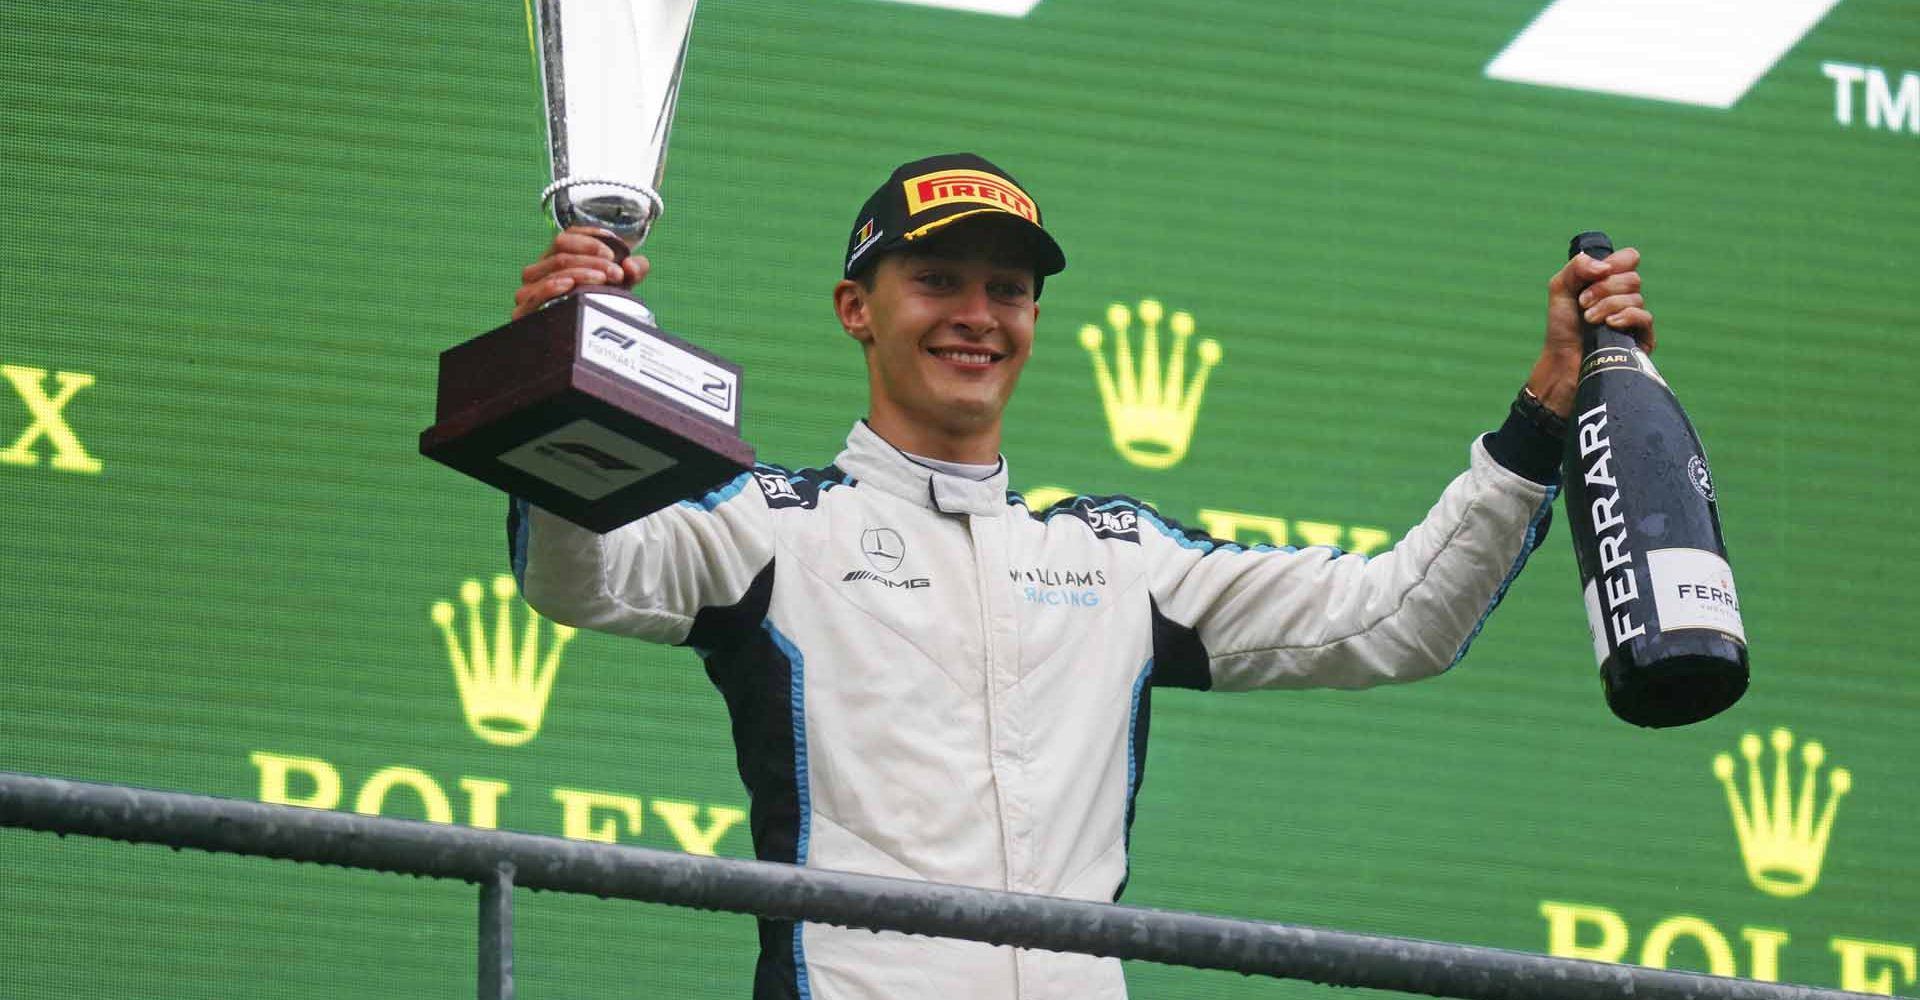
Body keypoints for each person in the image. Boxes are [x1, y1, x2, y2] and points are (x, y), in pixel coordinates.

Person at [505, 153, 1653, 1000]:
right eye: (938, 279)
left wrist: (1545, 407)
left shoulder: (1115, 559)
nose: (977, 315)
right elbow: (580, 576)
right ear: (858, 309)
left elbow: (1403, 619)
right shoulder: (773, 526)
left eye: (1008, 290)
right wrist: (561, 375)